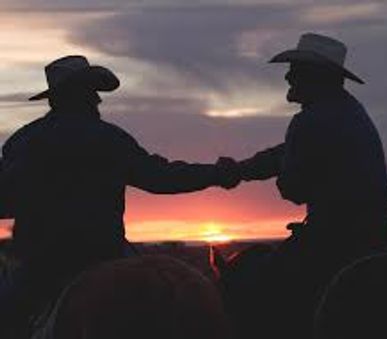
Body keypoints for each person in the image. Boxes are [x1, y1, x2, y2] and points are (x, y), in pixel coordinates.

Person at [0, 55, 241, 320]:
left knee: (10, 323)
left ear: (54, 98)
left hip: (43, 261)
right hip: (104, 251)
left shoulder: (24, 142)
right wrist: (218, 174)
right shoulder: (112, 139)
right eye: (93, 92)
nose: (98, 100)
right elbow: (161, 178)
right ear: (83, 95)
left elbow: (6, 199)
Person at [234, 32, 387, 339]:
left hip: (334, 238)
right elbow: (285, 153)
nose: (288, 77)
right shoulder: (347, 111)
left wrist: (245, 174)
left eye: (295, 70)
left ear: (314, 77)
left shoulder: (309, 120)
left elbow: (292, 188)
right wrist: (241, 169)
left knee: (257, 290)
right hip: (379, 232)